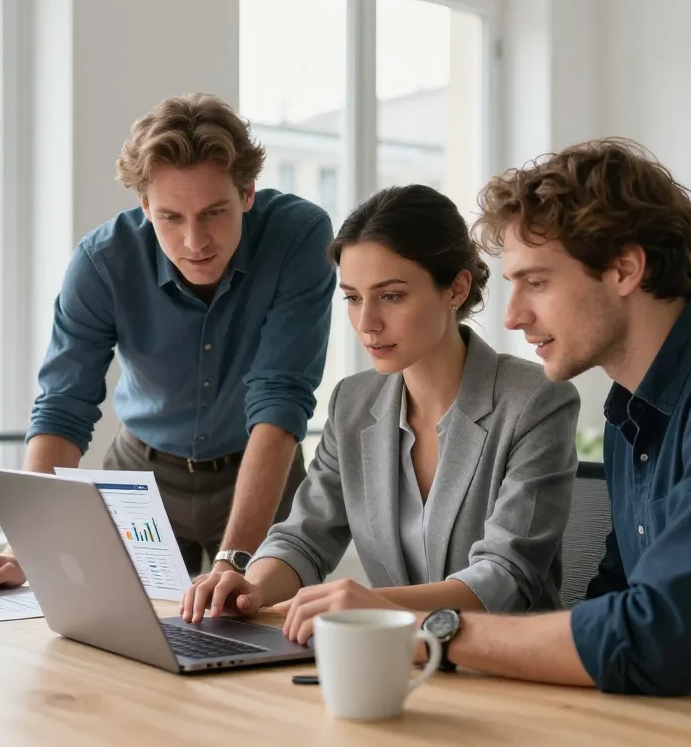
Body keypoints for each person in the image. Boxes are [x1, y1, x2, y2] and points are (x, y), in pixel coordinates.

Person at [293, 139, 691, 719]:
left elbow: (653, 636)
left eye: (536, 283)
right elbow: (612, 603)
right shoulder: (631, 408)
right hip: (675, 718)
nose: (511, 316)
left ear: (624, 269)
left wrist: (429, 630)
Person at [0, 93, 336, 595]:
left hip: (260, 467)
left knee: (254, 637)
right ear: (145, 205)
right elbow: (64, 406)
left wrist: (235, 559)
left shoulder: (299, 237)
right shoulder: (102, 260)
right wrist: (25, 546)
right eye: (171, 217)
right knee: (123, 643)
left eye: (214, 212)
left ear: (247, 193)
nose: (196, 242)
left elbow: (280, 396)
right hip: (141, 477)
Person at [181, 184, 581, 635]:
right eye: (352, 297)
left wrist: (372, 604)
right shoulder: (354, 402)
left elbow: (507, 576)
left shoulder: (536, 400)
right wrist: (248, 587)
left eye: (391, 296)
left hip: (505, 666)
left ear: (456, 289)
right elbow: (304, 538)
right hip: (389, 663)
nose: (367, 323)